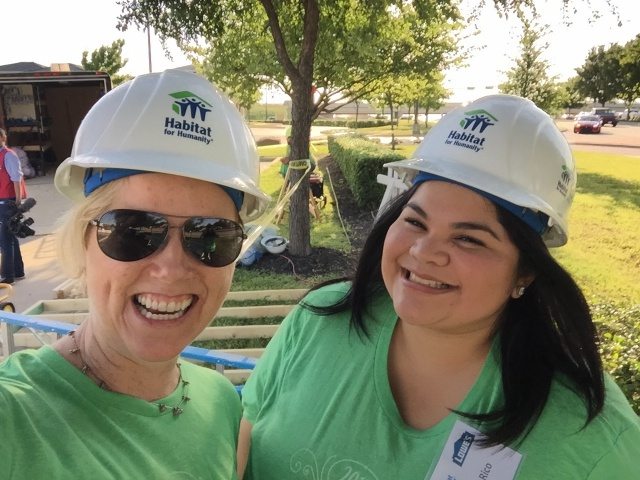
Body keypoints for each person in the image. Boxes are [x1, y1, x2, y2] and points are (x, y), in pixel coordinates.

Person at [238, 94, 640, 479]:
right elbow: (242, 441)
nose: (424, 251)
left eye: (469, 239)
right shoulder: (319, 321)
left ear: (525, 273)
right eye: (415, 221)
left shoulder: (592, 439)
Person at [0, 70, 270, 478]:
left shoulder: (223, 404)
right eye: (133, 231)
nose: (172, 268)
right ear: (83, 240)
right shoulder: (17, 417)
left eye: (211, 234)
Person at [0, 127, 27, 284]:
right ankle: (18, 271)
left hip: (8, 201)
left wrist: (17, 201)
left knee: (4, 239)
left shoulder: (8, 155)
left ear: (3, 138)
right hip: (1, 201)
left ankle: (7, 276)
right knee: (10, 237)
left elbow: (16, 178)